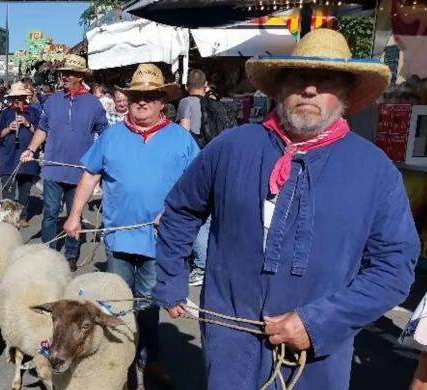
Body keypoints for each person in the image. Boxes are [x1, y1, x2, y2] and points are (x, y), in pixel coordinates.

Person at [154, 29, 419, 389]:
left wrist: (317, 323)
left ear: (345, 93)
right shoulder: (232, 147)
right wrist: (172, 278)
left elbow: (394, 268)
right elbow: (181, 210)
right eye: (299, 78)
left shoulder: (375, 170)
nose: (309, 90)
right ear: (280, 88)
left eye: (325, 80)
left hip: (315, 361)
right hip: (231, 343)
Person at [63, 64, 193, 387]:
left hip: (158, 239)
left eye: (149, 96)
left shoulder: (181, 139)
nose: (142, 102)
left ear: (162, 100)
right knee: (117, 305)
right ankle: (119, 361)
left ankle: (149, 360)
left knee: (148, 305)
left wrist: (178, 213)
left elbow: (197, 187)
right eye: (136, 96)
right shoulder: (112, 136)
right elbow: (90, 175)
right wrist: (75, 214)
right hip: (118, 239)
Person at [20, 54, 108, 269]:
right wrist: (31, 149)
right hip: (52, 168)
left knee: (73, 213)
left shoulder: (93, 104)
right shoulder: (52, 101)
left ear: (79, 76)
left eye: (68, 73)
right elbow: (43, 128)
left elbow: (104, 133)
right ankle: (47, 252)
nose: (64, 77)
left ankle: (70, 254)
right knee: (50, 212)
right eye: (62, 73)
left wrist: (100, 161)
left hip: (80, 172)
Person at [176, 69, 211, 286]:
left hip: (194, 162)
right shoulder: (213, 103)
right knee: (208, 216)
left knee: (192, 213)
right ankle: (205, 260)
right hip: (213, 161)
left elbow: (184, 132)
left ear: (187, 85)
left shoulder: (186, 103)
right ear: (205, 84)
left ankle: (200, 264)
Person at [0, 82, 42, 228]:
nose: (17, 101)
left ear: (25, 98)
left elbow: (41, 133)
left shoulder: (33, 112)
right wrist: (8, 128)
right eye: (14, 98)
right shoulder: (6, 113)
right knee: (7, 188)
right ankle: (8, 216)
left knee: (24, 189)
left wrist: (28, 124)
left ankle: (23, 215)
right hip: (8, 156)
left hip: (26, 157)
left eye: (20, 98)